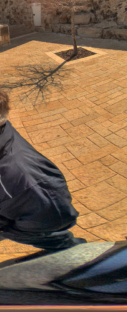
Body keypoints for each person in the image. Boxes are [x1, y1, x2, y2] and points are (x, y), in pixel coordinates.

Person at [0, 89, 85, 251]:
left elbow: (55, 215)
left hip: (32, 226)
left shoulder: (28, 178)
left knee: (63, 248)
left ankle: (75, 255)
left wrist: (9, 230)